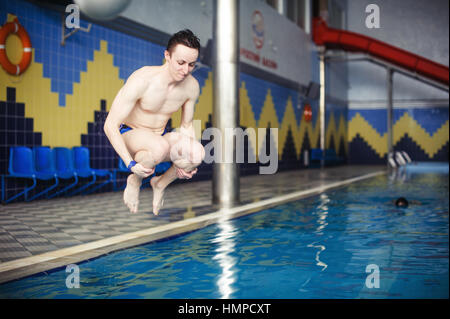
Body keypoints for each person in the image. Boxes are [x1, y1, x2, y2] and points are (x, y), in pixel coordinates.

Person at [104, 29, 205, 215]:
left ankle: (160, 183)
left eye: (191, 65)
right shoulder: (143, 79)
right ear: (167, 55)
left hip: (157, 142)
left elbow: (186, 126)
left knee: (197, 153)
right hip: (130, 134)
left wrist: (185, 165)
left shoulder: (191, 86)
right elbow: (110, 125)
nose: (185, 71)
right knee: (158, 147)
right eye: (180, 63)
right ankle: (134, 181)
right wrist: (130, 164)